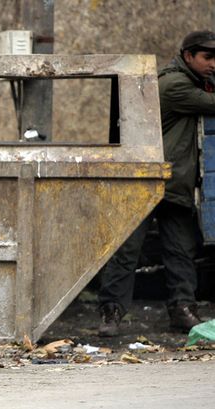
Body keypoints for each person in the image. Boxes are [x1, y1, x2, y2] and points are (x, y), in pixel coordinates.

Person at [98, 30, 215, 336]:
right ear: (188, 56)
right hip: (148, 182)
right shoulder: (176, 85)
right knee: (127, 251)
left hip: (174, 182)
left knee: (180, 251)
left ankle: (182, 310)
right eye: (208, 57)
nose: (213, 64)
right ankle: (111, 313)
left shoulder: (190, 81)